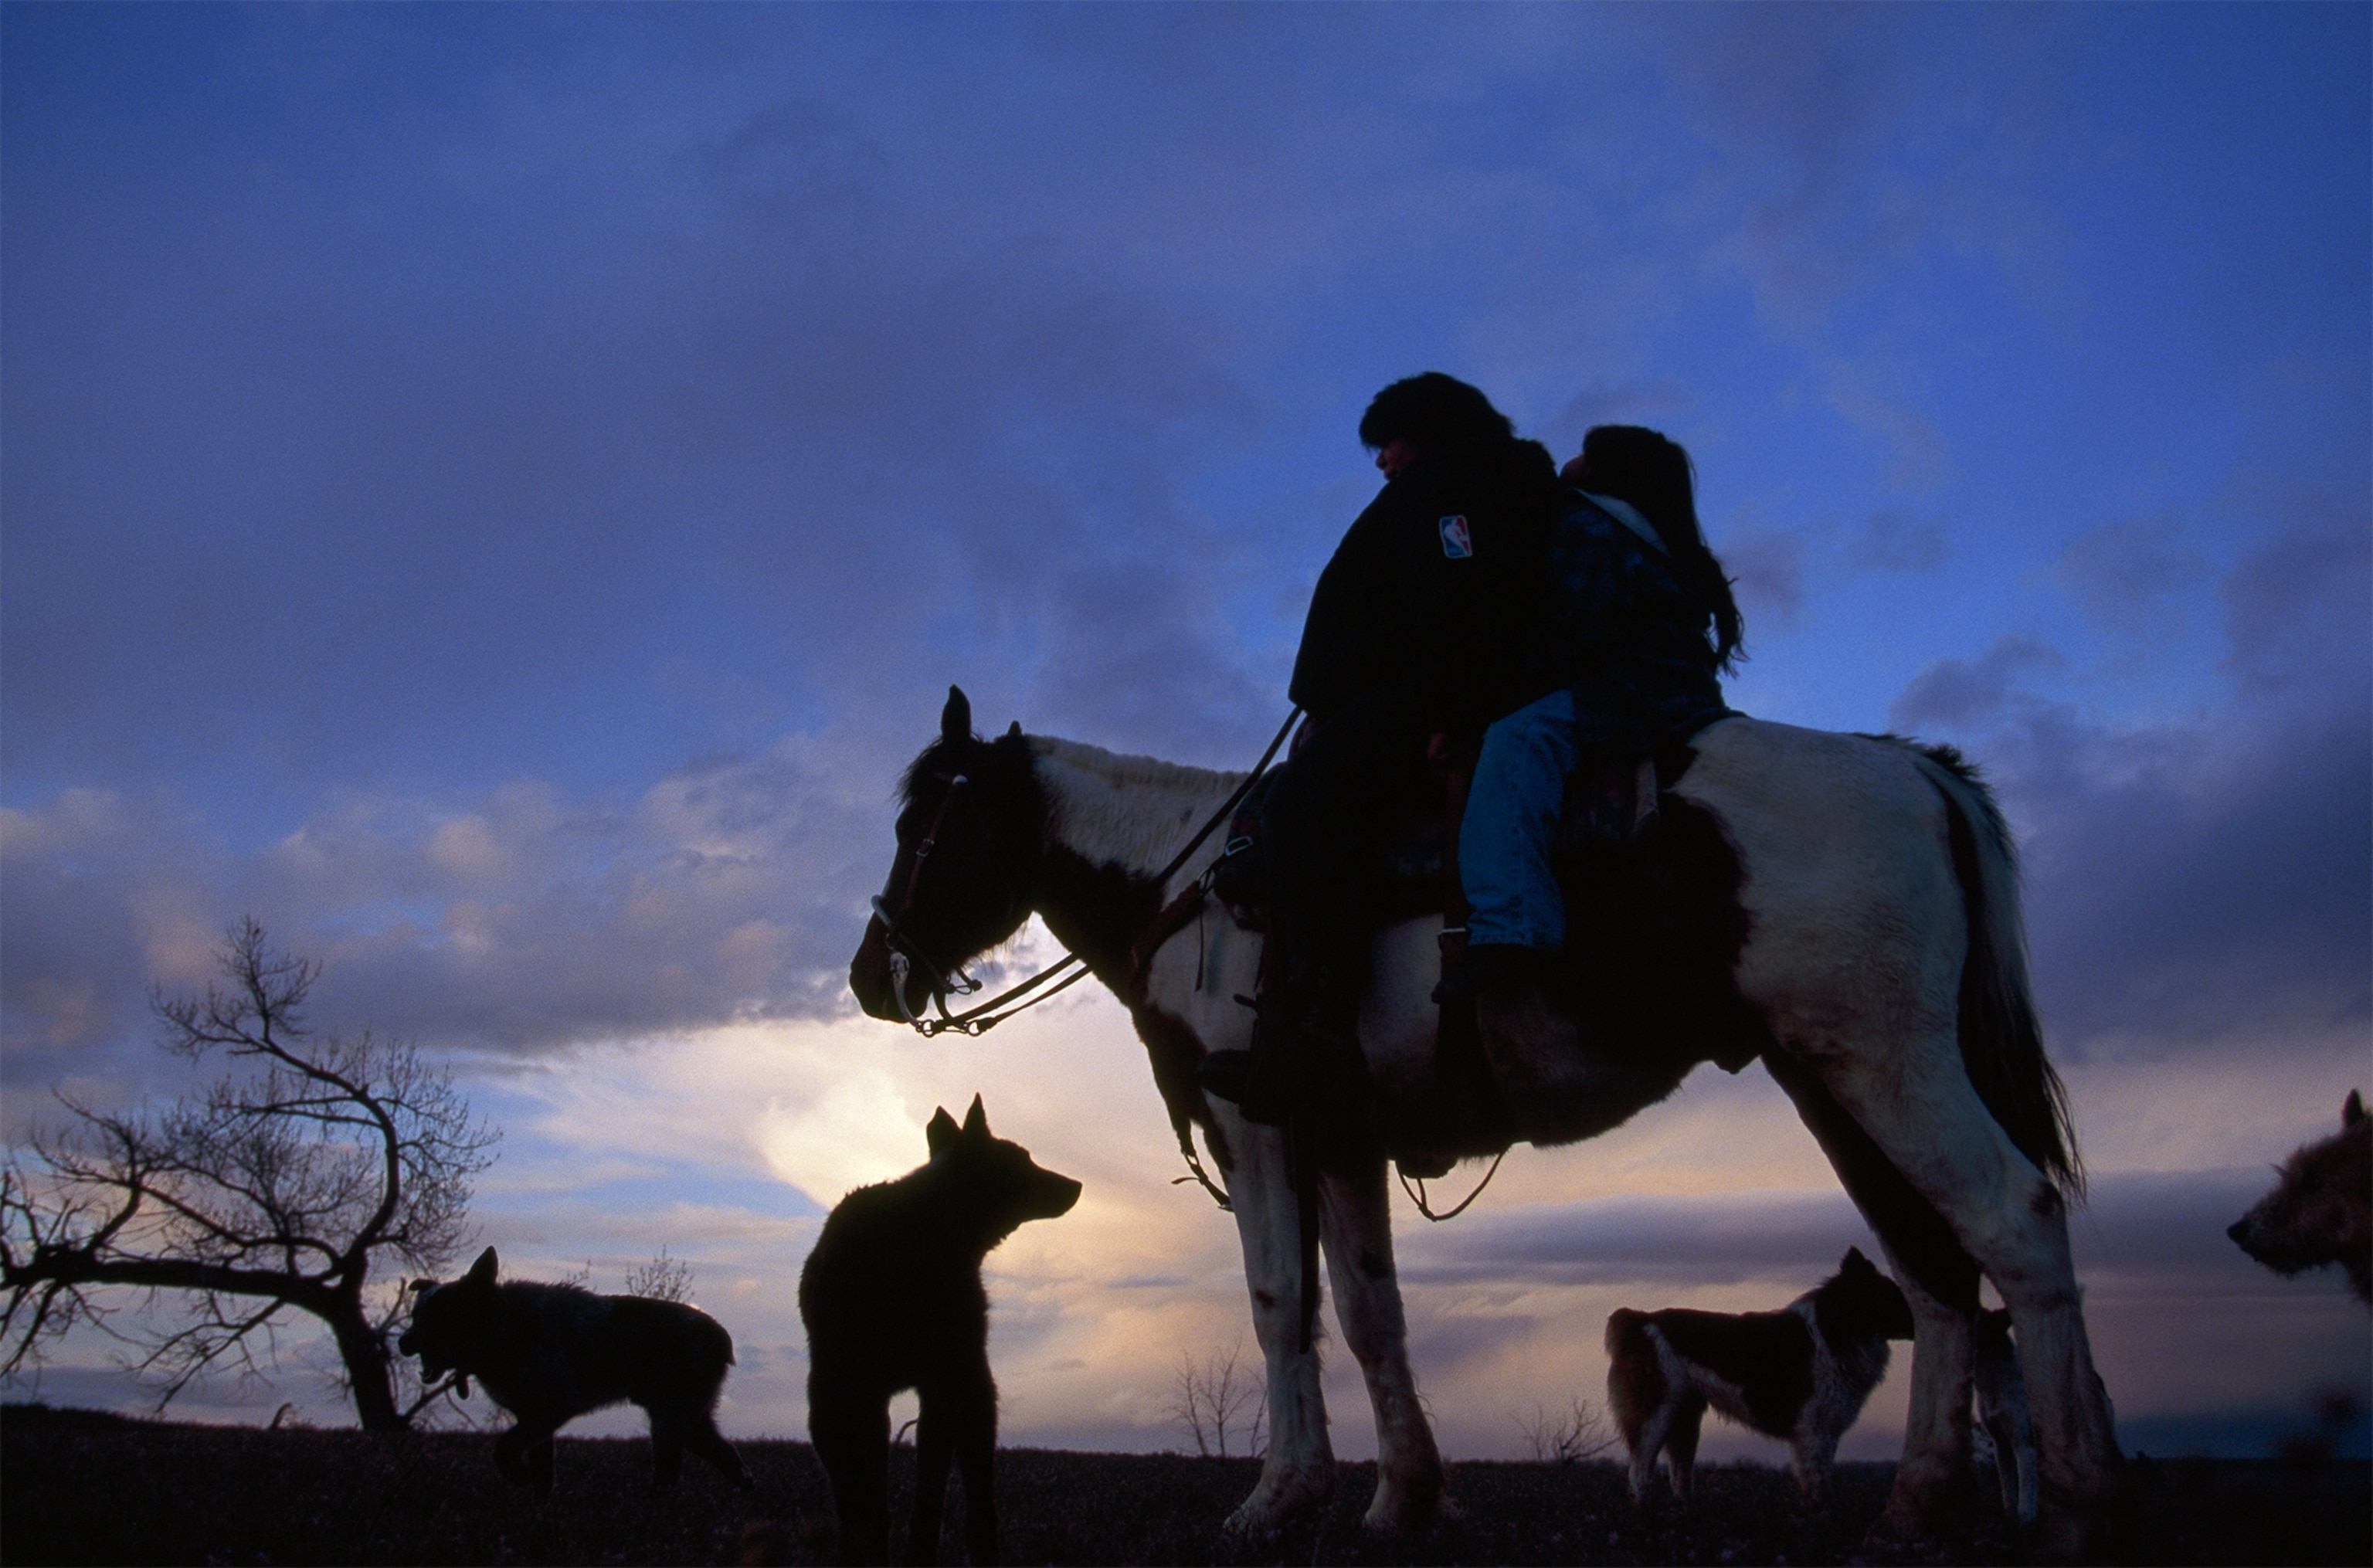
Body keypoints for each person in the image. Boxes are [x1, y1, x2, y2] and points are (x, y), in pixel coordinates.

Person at [1200, 373, 1565, 1126]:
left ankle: (1325, 1033)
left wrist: (1452, 711)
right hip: (1407, 694)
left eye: (1389, 441)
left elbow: (1459, 605)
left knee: (1303, 805)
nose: (1381, 460)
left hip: (1422, 700)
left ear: (1424, 431)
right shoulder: (1473, 486)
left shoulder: (1451, 491)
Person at [1448, 424, 1743, 1002]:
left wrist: (1490, 696)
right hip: (1680, 694)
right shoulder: (1654, 533)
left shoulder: (1589, 521)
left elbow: (1579, 631)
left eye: (1587, 452)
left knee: (1518, 739)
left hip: (1632, 694)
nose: (1573, 459)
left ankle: (1512, 923)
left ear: (1603, 469)